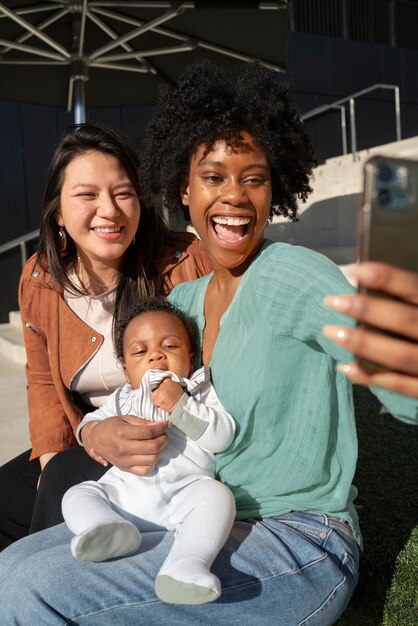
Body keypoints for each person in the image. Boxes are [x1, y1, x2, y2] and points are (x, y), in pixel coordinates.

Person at [0, 60, 417, 625]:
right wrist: (97, 429)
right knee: (10, 569)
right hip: (189, 518)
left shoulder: (294, 275)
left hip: (296, 538)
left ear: (278, 186)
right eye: (214, 177)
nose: (235, 197)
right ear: (184, 189)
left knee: (29, 589)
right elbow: (136, 384)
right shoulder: (187, 303)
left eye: (255, 177)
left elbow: (394, 376)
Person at [0, 122, 211, 550]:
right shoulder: (40, 279)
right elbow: (42, 380)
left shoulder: (186, 261)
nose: (109, 210)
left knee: (62, 485)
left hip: (170, 443)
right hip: (93, 432)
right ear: (58, 211)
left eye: (122, 192)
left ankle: (50, 595)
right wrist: (56, 454)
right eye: (87, 195)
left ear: (140, 201)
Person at [62, 298, 235, 605]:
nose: (155, 355)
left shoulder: (199, 390)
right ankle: (103, 528)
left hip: (185, 493)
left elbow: (222, 436)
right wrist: (97, 431)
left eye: (170, 346)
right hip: (125, 497)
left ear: (190, 357)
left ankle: (186, 565)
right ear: (127, 371)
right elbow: (90, 423)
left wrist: (180, 404)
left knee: (218, 497)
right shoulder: (123, 398)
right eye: (140, 352)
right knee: (78, 493)